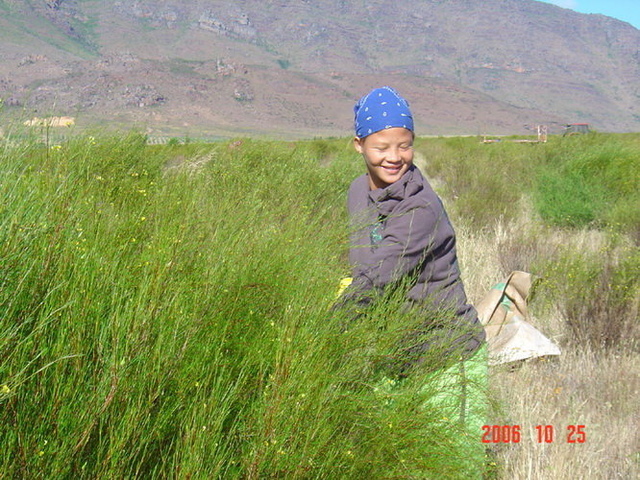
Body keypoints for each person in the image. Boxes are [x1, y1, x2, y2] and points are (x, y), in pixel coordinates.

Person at [334, 86, 488, 476]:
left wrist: (323, 331)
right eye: (381, 147)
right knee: (393, 459)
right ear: (358, 145)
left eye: (404, 146)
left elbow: (378, 277)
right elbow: (361, 262)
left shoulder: (420, 209)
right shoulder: (358, 193)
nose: (394, 157)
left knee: (453, 465)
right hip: (395, 353)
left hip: (446, 355)